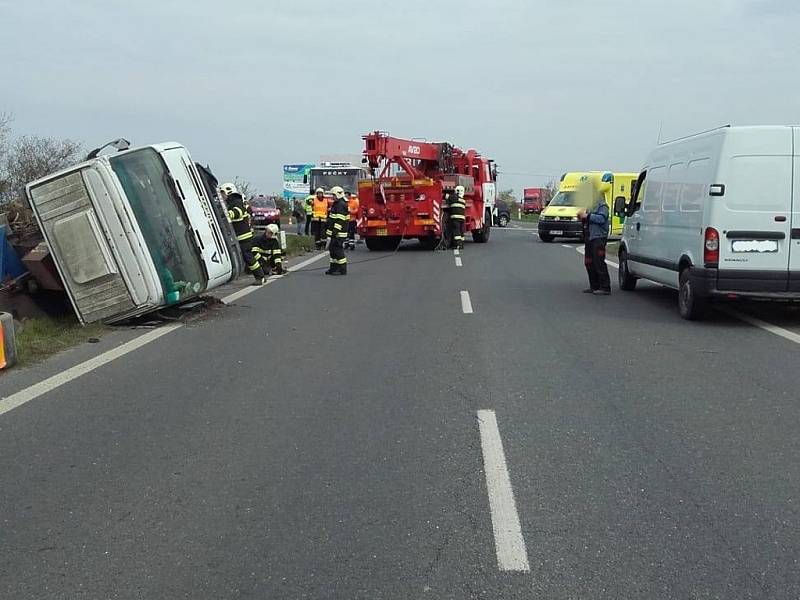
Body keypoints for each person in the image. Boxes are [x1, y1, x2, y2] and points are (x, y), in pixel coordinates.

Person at [219, 182, 266, 285]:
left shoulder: (236, 202)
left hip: (243, 236)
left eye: (222, 193)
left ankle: (260, 276)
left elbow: (237, 212)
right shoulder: (233, 202)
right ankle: (262, 271)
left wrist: (224, 215)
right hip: (241, 236)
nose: (222, 196)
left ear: (228, 191)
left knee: (248, 257)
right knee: (248, 256)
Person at [577, 193, 611, 295]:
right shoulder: (589, 207)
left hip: (598, 238)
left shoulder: (602, 206)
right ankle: (594, 286)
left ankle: (605, 287)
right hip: (589, 237)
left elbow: (601, 219)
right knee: (589, 262)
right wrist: (582, 217)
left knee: (598, 262)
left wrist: (587, 216)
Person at [325, 186, 349, 275]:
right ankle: (334, 267)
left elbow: (340, 220)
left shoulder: (341, 204)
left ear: (338, 194)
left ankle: (342, 269)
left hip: (339, 233)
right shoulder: (337, 203)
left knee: (338, 251)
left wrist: (335, 232)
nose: (332, 197)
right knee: (333, 250)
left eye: (334, 195)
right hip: (334, 233)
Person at [447, 185, 466, 249]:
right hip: (462, 218)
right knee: (461, 231)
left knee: (456, 232)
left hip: (455, 218)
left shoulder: (454, 198)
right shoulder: (463, 200)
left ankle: (458, 245)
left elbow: (447, 197)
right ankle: (461, 244)